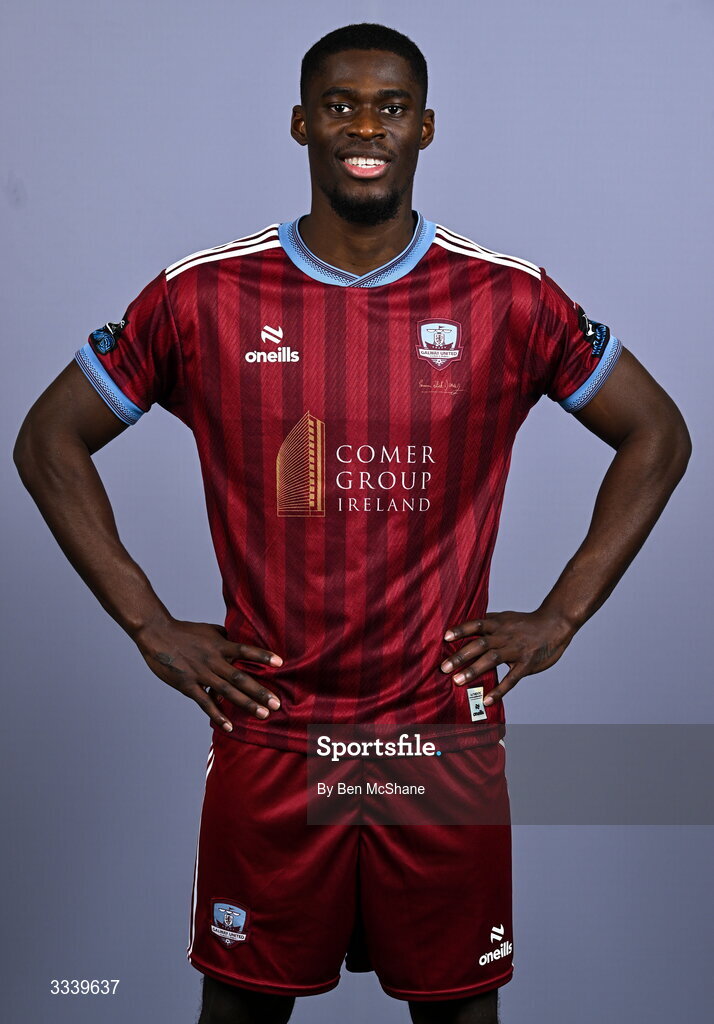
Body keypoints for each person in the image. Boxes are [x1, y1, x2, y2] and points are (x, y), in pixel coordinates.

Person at [13, 21, 691, 1024]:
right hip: (274, 733)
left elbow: (657, 434)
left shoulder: (506, 296)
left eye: (389, 106)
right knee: (241, 1008)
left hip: (440, 743)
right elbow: (47, 441)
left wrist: (561, 615)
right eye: (340, 105)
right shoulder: (203, 295)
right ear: (301, 124)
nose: (364, 126)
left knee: (458, 1011)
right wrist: (149, 623)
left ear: (426, 127)